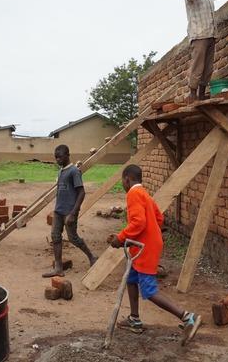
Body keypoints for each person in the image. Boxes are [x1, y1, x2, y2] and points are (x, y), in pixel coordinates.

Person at [106, 164, 201, 346]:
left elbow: (139, 222)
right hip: (145, 244)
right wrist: (143, 235)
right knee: (132, 279)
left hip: (145, 248)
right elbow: (158, 218)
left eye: (122, 180)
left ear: (127, 179)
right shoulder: (145, 194)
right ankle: (135, 319)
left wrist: (121, 238)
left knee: (149, 290)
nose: (123, 183)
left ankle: (188, 317)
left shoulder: (133, 194)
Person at [42, 145, 96, 277]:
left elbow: (81, 193)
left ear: (67, 155)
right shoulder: (60, 172)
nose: (57, 160)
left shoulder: (74, 172)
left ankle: (91, 257)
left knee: (73, 238)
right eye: (56, 157)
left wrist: (73, 213)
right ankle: (58, 268)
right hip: (58, 211)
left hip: (69, 212)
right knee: (55, 237)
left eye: (60, 157)